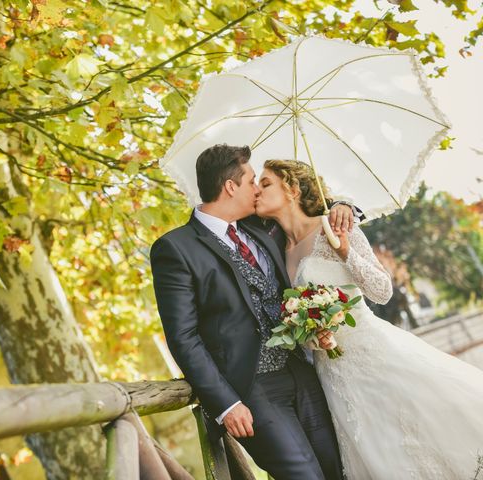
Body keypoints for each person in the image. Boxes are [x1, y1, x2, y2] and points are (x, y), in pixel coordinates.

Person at [255, 159, 483, 479]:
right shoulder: (277, 250)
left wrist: (347, 251)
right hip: (334, 374)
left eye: (265, 184)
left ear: (292, 189)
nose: (256, 191)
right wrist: (313, 334)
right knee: (378, 451)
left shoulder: (333, 227)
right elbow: (296, 315)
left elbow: (382, 290)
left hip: (376, 354)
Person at [150, 144, 356, 479]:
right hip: (253, 390)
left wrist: (343, 204)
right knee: (304, 476)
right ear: (230, 187)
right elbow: (182, 336)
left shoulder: (260, 228)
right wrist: (226, 404)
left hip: (302, 373)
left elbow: (304, 206)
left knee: (338, 470)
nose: (257, 190)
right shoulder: (175, 248)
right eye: (250, 182)